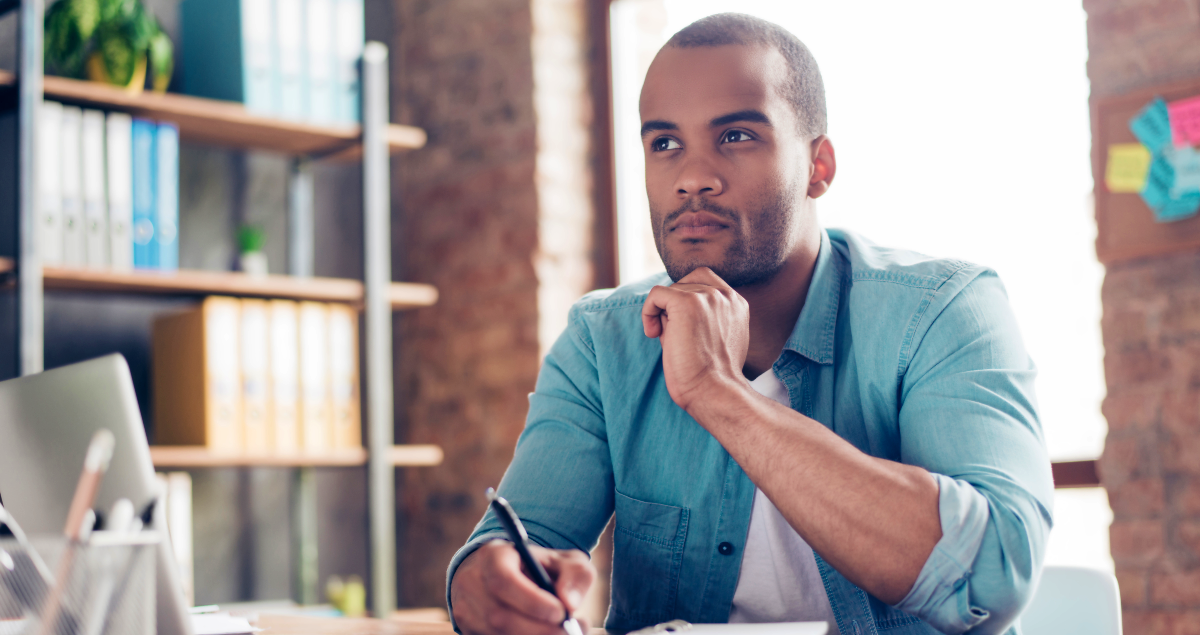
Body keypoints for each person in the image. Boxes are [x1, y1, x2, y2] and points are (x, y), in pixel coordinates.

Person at [446, 12, 1053, 635]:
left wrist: (721, 395)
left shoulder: (944, 311)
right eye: (664, 144)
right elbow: (512, 547)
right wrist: (483, 587)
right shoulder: (604, 341)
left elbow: (991, 576)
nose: (691, 178)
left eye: (735, 136)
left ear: (819, 167)